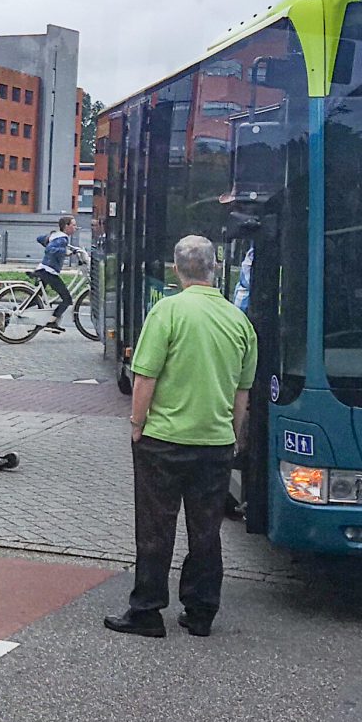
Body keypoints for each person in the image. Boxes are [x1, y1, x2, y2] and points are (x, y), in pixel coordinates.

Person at [105, 234, 257, 640]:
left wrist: (137, 425)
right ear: (215, 269)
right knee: (206, 530)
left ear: (176, 269)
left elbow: (145, 377)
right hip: (215, 442)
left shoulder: (166, 312)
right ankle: (201, 611)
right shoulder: (238, 321)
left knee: (156, 527)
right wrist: (234, 434)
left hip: (164, 440)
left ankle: (148, 611)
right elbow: (243, 393)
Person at [33, 215, 78, 332]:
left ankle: (10, 314)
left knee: (36, 299)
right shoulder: (62, 238)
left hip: (42, 269)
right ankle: (52, 321)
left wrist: (49, 238)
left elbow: (39, 238)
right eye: (73, 225)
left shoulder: (56, 236)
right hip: (49, 272)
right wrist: (65, 252)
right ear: (66, 226)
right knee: (67, 299)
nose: (75, 227)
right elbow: (49, 249)